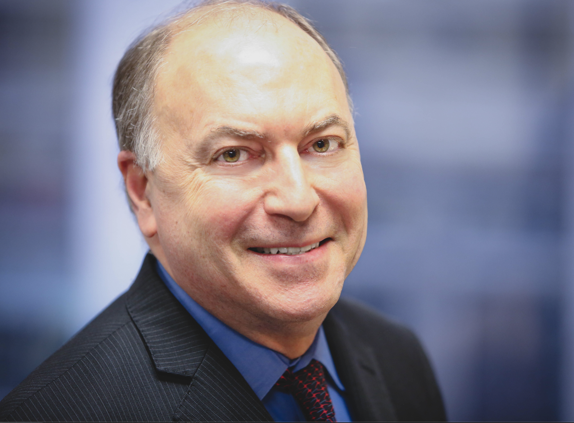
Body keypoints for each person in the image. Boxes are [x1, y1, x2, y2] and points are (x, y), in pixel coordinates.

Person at [0, 0, 446, 421]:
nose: (298, 200)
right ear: (143, 191)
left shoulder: (396, 356)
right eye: (233, 154)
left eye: (322, 144)